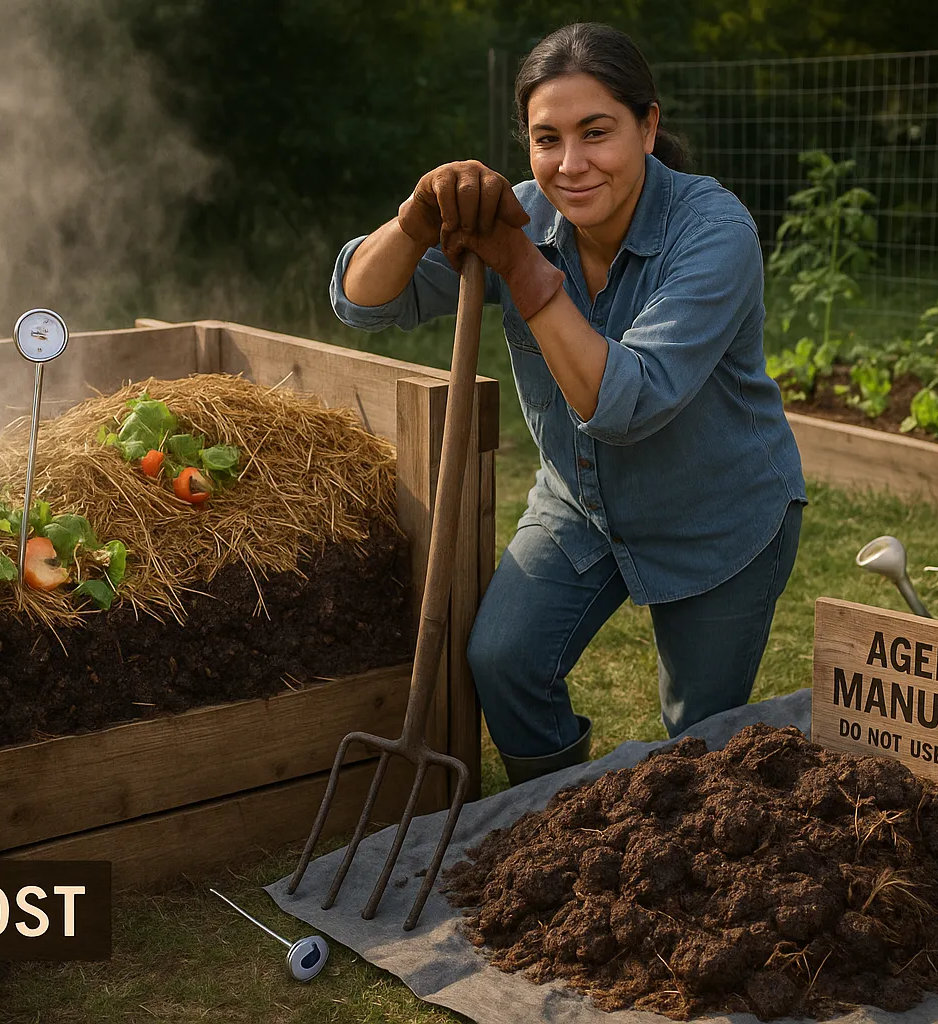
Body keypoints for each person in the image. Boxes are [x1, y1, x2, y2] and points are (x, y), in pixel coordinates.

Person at [329, 22, 807, 786]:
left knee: (699, 744)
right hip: (582, 502)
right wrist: (416, 218)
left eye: (597, 132)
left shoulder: (713, 232)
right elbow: (362, 301)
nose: (572, 164)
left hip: (717, 517)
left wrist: (521, 268)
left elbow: (625, 400)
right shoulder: (526, 212)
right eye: (547, 139)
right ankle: (550, 817)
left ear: (647, 128)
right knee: (505, 661)